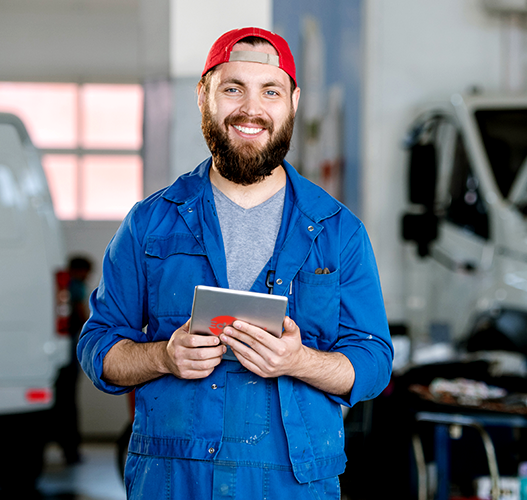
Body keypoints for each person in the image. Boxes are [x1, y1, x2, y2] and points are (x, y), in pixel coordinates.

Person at [77, 27, 393, 499]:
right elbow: (99, 347)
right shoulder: (150, 224)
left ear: (293, 101)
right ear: (204, 96)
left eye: (270, 91)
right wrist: (163, 355)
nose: (252, 109)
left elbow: (373, 362)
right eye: (232, 89)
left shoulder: (337, 230)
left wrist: (299, 360)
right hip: (174, 482)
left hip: (291, 483)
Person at [52, 255, 92, 465]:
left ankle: (67, 448)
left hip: (56, 356)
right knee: (68, 403)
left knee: (60, 402)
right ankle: (70, 451)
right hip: (68, 356)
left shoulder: (61, 287)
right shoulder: (75, 286)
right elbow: (86, 320)